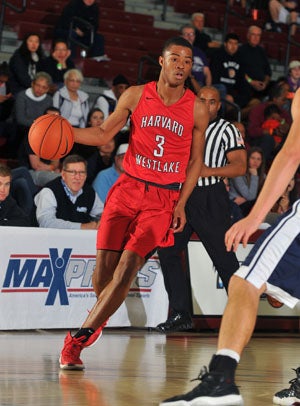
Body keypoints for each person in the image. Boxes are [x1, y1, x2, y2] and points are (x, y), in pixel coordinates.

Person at [58, 36, 209, 370]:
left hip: (162, 198)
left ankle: (76, 341)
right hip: (127, 189)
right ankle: (101, 315)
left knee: (128, 269)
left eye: (187, 60)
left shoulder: (198, 107)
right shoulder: (136, 95)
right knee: (103, 275)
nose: (181, 65)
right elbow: (102, 136)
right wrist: (65, 130)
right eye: (175, 58)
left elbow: (195, 162)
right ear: (161, 60)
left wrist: (181, 203)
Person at [159, 86, 300, 406]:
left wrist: (254, 217)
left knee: (244, 281)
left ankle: (221, 380)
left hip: (214, 201)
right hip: (195, 199)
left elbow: (292, 154)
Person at [156, 86, 246, 333]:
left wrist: (208, 171)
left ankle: (240, 318)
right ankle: (181, 314)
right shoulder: (181, 124)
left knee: (224, 259)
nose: (206, 105)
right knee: (168, 251)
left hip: (210, 197)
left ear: (218, 106)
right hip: (181, 196)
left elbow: (240, 166)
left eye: (212, 101)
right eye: (202, 100)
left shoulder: (227, 129)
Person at [34, 154, 103, 229]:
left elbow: (102, 214)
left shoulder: (89, 192)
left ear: (86, 175)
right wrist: (81, 227)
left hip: (80, 239)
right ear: (63, 174)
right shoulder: (49, 191)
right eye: (73, 172)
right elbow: (46, 222)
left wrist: (103, 221)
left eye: (82, 172)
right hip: (49, 239)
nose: (77, 177)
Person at [247, 81, 292, 163]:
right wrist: (271, 132)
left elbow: (289, 128)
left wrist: (285, 128)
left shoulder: (284, 113)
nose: (285, 102)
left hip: (279, 141)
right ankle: (259, 170)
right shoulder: (257, 110)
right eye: (283, 100)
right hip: (259, 141)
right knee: (268, 139)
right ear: (275, 99)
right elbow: (252, 131)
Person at [18, 106, 61, 188]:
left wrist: (51, 168)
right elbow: (36, 166)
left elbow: (56, 163)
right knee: (60, 180)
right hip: (29, 173)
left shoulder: (57, 138)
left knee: (67, 179)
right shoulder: (33, 135)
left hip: (48, 171)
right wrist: (52, 168)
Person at [15, 71, 53, 152]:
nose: (40, 89)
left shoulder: (49, 99)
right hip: (21, 129)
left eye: (44, 87)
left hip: (39, 130)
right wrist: (38, 124)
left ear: (48, 89)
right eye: (38, 85)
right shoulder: (22, 96)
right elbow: (20, 119)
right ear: (32, 84)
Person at [210, 33, 249, 110]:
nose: (233, 46)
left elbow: (242, 79)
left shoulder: (241, 59)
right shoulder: (217, 56)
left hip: (234, 93)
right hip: (219, 91)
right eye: (230, 43)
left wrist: (234, 97)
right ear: (225, 44)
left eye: (235, 44)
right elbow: (214, 78)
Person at [239, 25, 272, 113]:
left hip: (262, 86)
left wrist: (265, 83)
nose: (256, 37)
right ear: (248, 36)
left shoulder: (261, 51)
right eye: (253, 35)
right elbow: (240, 71)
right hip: (246, 84)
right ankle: (240, 114)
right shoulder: (241, 50)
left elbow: (268, 72)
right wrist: (251, 82)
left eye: (258, 35)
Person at [229, 146, 266, 222]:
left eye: (258, 159)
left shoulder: (263, 176)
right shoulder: (238, 173)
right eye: (252, 158)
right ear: (247, 159)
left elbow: (263, 196)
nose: (255, 161)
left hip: (248, 205)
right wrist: (254, 176)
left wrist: (245, 198)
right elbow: (251, 196)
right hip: (234, 205)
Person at [93, 74, 130, 146]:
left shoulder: (122, 100)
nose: (124, 91)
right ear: (113, 88)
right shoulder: (103, 99)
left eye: (126, 88)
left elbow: (127, 121)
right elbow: (106, 122)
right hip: (99, 133)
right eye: (121, 87)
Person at [85, 108, 116, 184]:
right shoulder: (91, 161)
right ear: (97, 145)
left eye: (110, 141)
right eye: (104, 141)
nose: (107, 144)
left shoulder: (118, 159)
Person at [180, 24, 212, 94]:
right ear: (181, 36)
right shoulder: (178, 51)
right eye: (186, 34)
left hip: (201, 84)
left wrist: (208, 89)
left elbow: (207, 72)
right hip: (185, 83)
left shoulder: (200, 52)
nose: (189, 37)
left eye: (191, 34)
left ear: (194, 36)